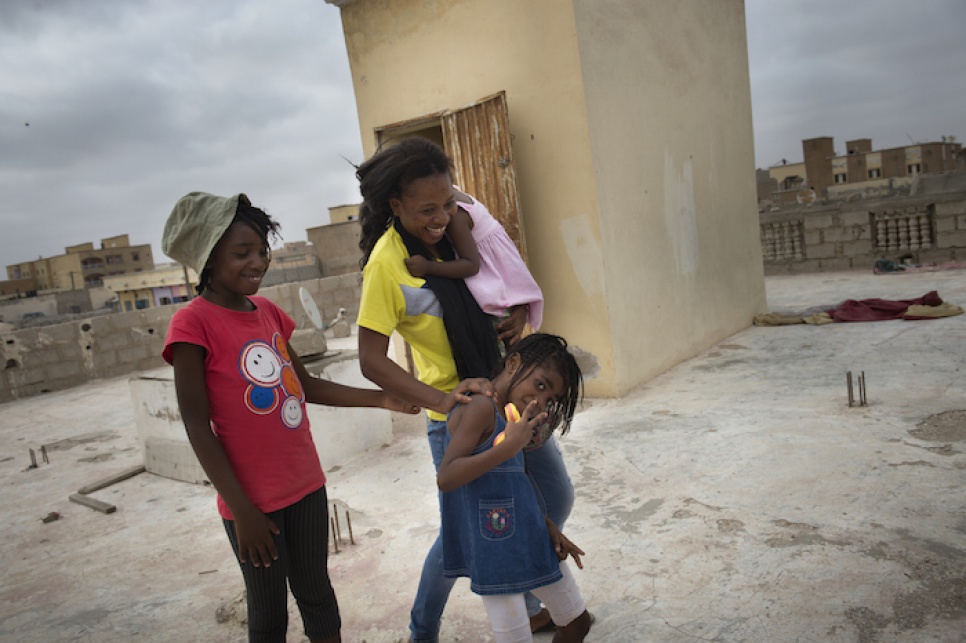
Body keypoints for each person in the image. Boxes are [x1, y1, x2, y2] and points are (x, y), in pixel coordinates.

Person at [161, 192, 418, 643]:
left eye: (262, 251)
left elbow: (307, 387)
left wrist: (381, 400)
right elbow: (196, 426)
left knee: (317, 595)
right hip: (252, 503)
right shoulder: (193, 325)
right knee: (268, 613)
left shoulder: (269, 314)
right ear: (208, 256)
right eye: (242, 253)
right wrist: (242, 510)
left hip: (306, 488)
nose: (257, 262)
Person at [354, 136, 579, 640]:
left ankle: (524, 595)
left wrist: (518, 311)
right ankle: (422, 631)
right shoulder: (387, 266)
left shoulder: (460, 233)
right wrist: (440, 399)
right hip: (458, 417)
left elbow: (499, 281)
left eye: (447, 202)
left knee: (555, 494)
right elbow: (370, 360)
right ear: (396, 206)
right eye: (425, 209)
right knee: (458, 539)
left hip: (509, 400)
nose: (440, 216)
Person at [437, 333, 592, 642]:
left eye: (550, 399)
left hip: (530, 535)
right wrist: (508, 448)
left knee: (578, 622)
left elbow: (515, 483)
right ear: (514, 362)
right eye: (540, 385)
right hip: (494, 551)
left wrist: (548, 526)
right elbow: (447, 476)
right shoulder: (481, 407)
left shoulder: (516, 417)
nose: (541, 401)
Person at [401, 184, 544, 346]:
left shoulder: (456, 216)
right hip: (503, 285)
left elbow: (471, 265)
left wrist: (428, 267)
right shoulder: (449, 194)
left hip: (494, 291)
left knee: (498, 351)